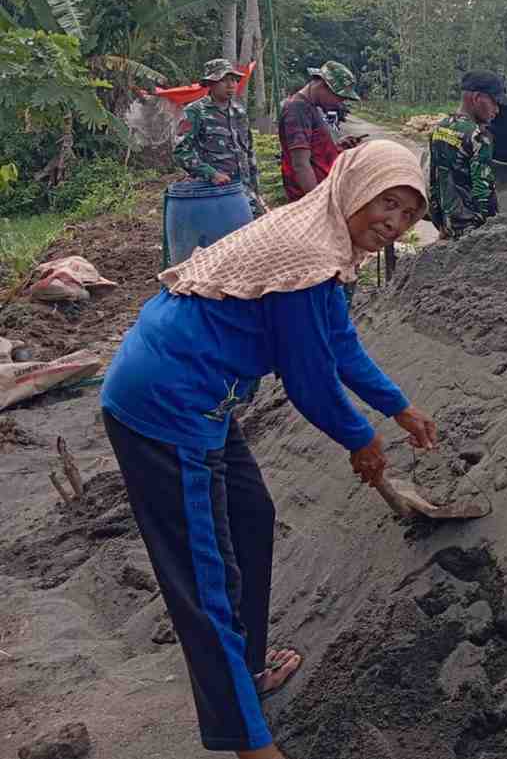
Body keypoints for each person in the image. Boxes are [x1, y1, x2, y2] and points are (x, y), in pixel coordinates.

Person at [99, 140, 437, 758]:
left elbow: (338, 344)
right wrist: (362, 441)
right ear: (353, 187)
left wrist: (397, 405)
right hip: (169, 404)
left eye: (408, 215)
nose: (393, 223)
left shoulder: (326, 236)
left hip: (204, 392)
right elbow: (309, 380)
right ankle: (248, 743)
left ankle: (246, 672)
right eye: (386, 203)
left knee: (251, 518)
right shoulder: (309, 255)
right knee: (207, 579)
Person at [428, 71, 507, 240]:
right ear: (477, 98)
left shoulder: (439, 128)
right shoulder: (478, 138)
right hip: (471, 233)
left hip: (446, 225)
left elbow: (434, 181)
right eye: (494, 102)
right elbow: (484, 193)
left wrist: (441, 223)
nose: (496, 110)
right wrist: (493, 230)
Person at [174, 58, 264, 215]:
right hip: (213, 192)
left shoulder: (239, 112)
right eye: (224, 80)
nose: (231, 85)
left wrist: (257, 191)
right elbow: (181, 151)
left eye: (234, 80)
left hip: (243, 191)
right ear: (210, 84)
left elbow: (248, 152)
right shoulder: (196, 111)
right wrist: (211, 174)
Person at [278, 61, 366, 202]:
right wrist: (316, 202)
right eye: (338, 97)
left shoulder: (311, 107)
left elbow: (313, 149)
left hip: (322, 189)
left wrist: (337, 146)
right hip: (308, 197)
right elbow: (300, 163)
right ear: (322, 85)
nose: (339, 103)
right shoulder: (297, 109)